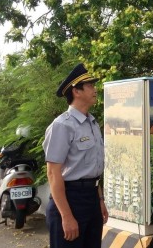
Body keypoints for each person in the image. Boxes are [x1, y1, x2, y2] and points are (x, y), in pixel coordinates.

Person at [43, 63, 108, 248]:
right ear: (76, 92)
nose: (95, 90)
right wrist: (66, 216)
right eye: (90, 86)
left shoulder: (92, 123)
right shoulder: (62, 125)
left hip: (91, 198)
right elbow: (53, 173)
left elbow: (92, 170)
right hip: (70, 199)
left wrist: (100, 200)